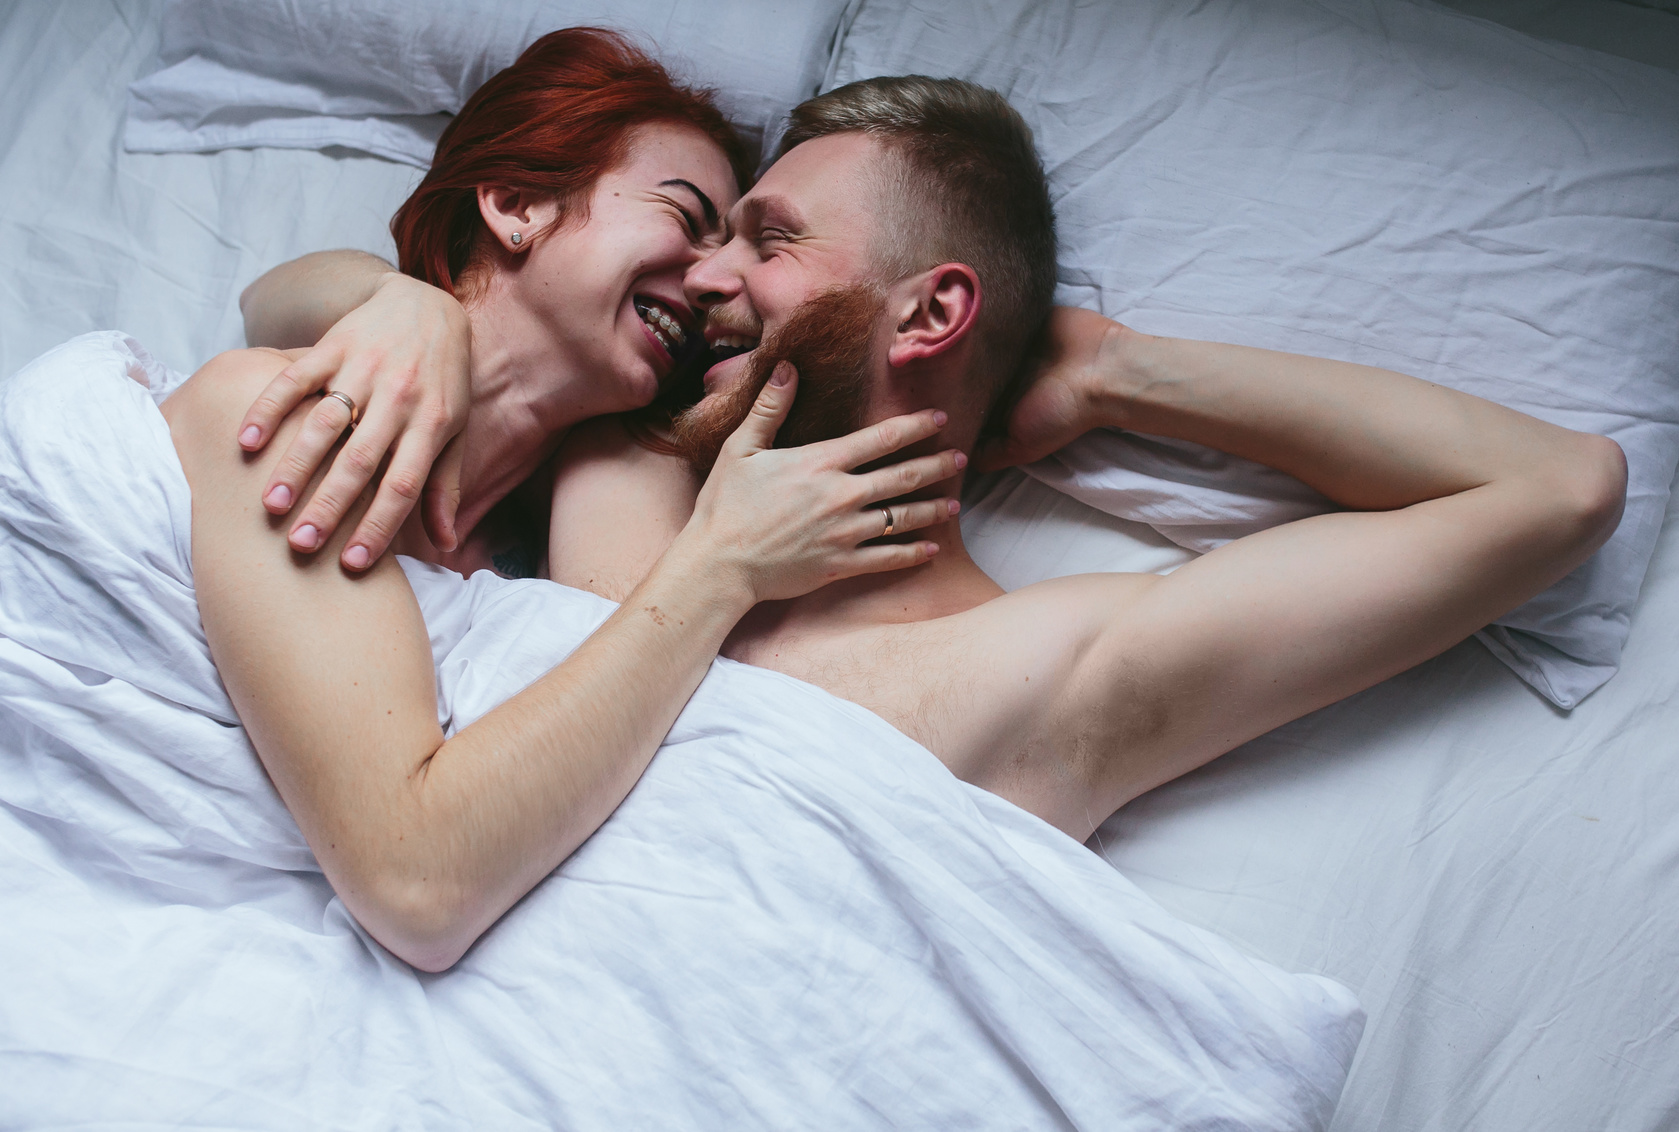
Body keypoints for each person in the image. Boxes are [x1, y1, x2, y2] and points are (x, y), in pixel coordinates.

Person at [246, 76, 1626, 848]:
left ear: (934, 311)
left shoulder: (1053, 669)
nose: (705, 271)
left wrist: (1114, 373)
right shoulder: (622, 453)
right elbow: (289, 327)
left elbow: (1555, 490)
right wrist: (396, 302)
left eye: (769, 241)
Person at [159, 34, 966, 975]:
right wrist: (718, 568)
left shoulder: (539, 556)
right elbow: (417, 882)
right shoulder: (281, 412)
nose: (712, 282)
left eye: (743, 248)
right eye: (687, 215)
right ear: (516, 205)